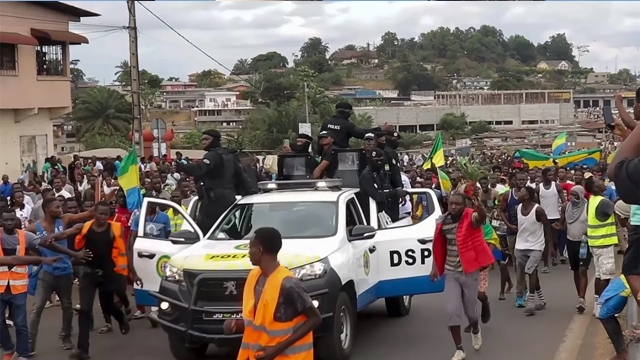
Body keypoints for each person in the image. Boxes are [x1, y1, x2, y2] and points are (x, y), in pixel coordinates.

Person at [0, 208, 88, 360]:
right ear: (0, 221)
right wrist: (41, 260)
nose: (9, 223)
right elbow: (12, 260)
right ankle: (9, 347)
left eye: (11, 219)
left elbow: (47, 243)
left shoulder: (24, 236)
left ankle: (24, 353)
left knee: (21, 324)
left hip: (18, 287)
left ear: (16, 220)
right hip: (0, 288)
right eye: (5, 220)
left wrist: (72, 254)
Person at [224, 227, 321, 360]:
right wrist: (236, 324)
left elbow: (315, 318)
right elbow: (260, 323)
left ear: (259, 251)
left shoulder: (288, 284)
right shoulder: (254, 277)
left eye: (250, 247)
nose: (248, 252)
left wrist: (277, 349)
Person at [25, 197, 94, 354]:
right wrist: (39, 257)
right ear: (48, 210)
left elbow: (88, 214)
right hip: (47, 273)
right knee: (38, 309)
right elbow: (24, 244)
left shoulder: (64, 219)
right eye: (57, 207)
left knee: (67, 306)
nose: (61, 209)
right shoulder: (33, 228)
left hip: (65, 272)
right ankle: (30, 343)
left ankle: (66, 336)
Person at [430, 193, 494, 360]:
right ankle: (459, 349)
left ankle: (475, 328)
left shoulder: (470, 218)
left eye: (457, 204)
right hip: (451, 272)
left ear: (464, 205)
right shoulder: (442, 222)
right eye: (451, 204)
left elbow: (481, 217)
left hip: (470, 272)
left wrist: (479, 206)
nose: (453, 207)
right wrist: (434, 268)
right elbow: (437, 246)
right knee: (452, 311)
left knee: (470, 311)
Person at [71, 201, 137, 360]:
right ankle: (82, 350)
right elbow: (69, 234)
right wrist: (52, 237)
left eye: (105, 214)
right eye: (99, 213)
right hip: (88, 273)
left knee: (108, 306)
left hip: (108, 274)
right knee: (85, 310)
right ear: (94, 213)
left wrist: (132, 270)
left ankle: (120, 318)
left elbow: (125, 250)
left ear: (109, 215)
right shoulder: (86, 227)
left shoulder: (115, 228)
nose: (101, 217)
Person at [177, 129, 253, 234]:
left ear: (215, 140)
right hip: (229, 199)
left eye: (206, 139)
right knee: (232, 231)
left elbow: (200, 169)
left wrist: (182, 166)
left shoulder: (212, 155)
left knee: (202, 234)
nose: (203, 142)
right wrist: (251, 195)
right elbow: (243, 179)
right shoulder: (229, 155)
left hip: (215, 201)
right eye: (202, 139)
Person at [515, 186, 553, 316]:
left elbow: (547, 226)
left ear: (526, 196)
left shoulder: (538, 210)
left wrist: (551, 247)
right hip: (520, 246)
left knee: (530, 271)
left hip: (536, 246)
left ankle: (531, 302)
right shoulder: (518, 208)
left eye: (520, 192)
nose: (518, 194)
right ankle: (542, 301)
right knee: (532, 273)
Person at [584, 176, 618, 317]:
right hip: (604, 244)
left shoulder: (591, 201)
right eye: (598, 181)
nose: (602, 182)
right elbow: (617, 210)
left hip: (595, 243)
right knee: (605, 276)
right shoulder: (604, 202)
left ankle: (598, 305)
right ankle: (602, 306)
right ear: (595, 188)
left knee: (599, 275)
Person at [555, 186, 590, 314]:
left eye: (575, 195)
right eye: (571, 195)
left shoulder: (588, 207)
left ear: (581, 195)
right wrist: (559, 227)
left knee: (582, 269)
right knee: (575, 270)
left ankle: (581, 299)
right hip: (571, 242)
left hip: (584, 243)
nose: (572, 198)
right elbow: (563, 225)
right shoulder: (566, 207)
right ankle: (580, 296)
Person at [499, 171, 527, 307]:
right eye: (519, 180)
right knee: (517, 263)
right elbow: (501, 210)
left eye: (523, 180)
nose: (521, 182)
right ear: (514, 180)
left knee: (528, 265)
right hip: (512, 232)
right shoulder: (507, 195)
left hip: (528, 233)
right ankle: (520, 292)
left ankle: (526, 288)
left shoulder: (530, 194)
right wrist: (508, 224)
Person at [358, 149, 407, 222]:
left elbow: (385, 187)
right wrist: (395, 193)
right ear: (370, 161)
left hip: (383, 212)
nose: (379, 163)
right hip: (371, 215)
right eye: (376, 161)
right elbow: (376, 196)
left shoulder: (381, 172)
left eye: (381, 160)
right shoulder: (366, 176)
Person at [320, 102, 391, 149]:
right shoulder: (347, 125)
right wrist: (381, 130)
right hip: (340, 156)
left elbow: (319, 140)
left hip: (325, 157)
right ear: (347, 112)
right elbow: (362, 133)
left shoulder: (326, 123)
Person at [535, 167, 566, 272]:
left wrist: (562, 214)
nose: (550, 177)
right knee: (546, 241)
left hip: (555, 217)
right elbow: (536, 204)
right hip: (544, 219)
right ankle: (546, 264)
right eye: (548, 175)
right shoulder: (538, 188)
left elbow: (564, 202)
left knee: (555, 240)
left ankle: (554, 253)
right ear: (543, 176)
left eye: (551, 175)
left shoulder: (556, 186)